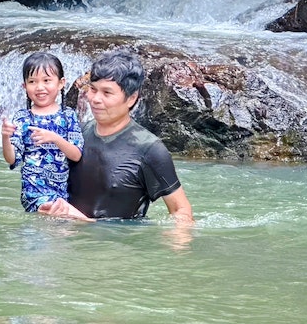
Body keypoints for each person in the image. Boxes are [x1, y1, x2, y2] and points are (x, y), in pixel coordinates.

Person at [38, 49, 194, 225]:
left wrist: (175, 241)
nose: (95, 99)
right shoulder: (75, 135)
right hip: (66, 244)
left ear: (131, 98)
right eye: (93, 89)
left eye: (107, 93)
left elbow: (181, 211)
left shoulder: (149, 149)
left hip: (117, 249)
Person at [1, 52, 84, 212]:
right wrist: (5, 137)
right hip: (33, 192)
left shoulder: (68, 116)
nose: (39, 87)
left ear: (61, 83)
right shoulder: (23, 118)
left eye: (46, 80)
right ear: (24, 86)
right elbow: (12, 159)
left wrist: (54, 138)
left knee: (58, 231)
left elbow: (76, 155)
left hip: (61, 193)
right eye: (32, 82)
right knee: (55, 217)